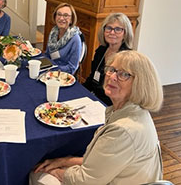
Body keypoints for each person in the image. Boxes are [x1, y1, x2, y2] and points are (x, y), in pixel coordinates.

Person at [30, 50, 163, 185]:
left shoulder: (123, 131)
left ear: (140, 83)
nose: (112, 77)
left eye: (123, 74)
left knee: (37, 173)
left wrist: (55, 172)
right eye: (112, 70)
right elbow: (103, 163)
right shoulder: (135, 113)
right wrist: (65, 160)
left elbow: (85, 181)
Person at [83, 13, 133, 106]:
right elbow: (92, 78)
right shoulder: (101, 51)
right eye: (109, 28)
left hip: (112, 104)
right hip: (94, 98)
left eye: (118, 29)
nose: (112, 32)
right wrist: (80, 92)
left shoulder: (127, 58)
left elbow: (124, 93)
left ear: (125, 33)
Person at [45, 3, 82, 74]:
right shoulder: (54, 32)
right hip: (48, 70)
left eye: (66, 15)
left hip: (62, 75)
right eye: (59, 14)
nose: (61, 18)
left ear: (71, 19)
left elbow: (72, 68)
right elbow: (47, 55)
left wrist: (53, 69)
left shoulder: (75, 39)